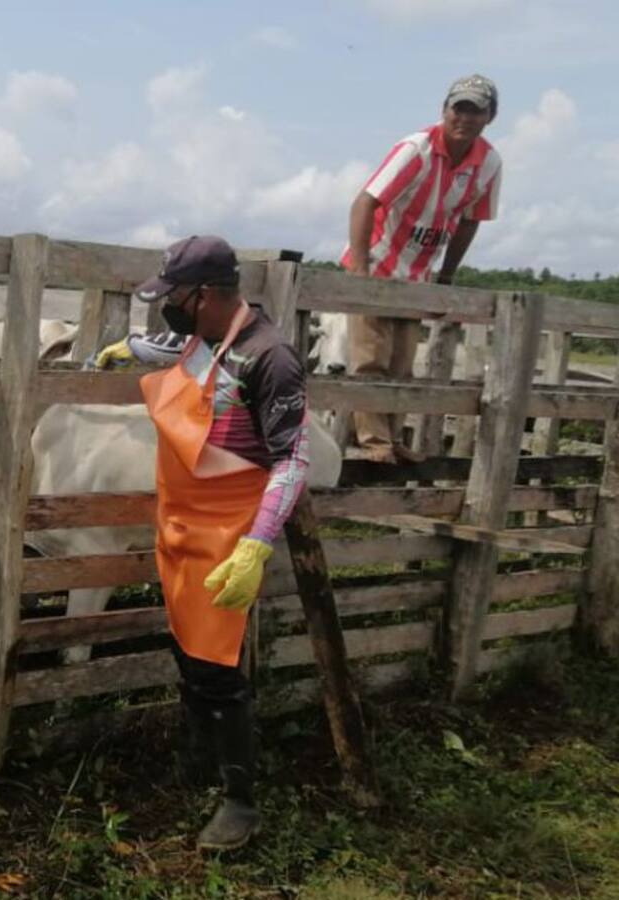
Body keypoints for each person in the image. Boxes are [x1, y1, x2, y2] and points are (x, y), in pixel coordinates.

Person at [90, 235, 310, 850]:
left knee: (219, 668)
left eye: (174, 298)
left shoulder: (270, 358)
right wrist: (127, 348)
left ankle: (241, 802)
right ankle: (195, 762)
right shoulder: (204, 337)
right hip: (180, 524)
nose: (168, 308)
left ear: (207, 295)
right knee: (187, 651)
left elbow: (293, 459)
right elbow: (173, 350)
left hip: (229, 535)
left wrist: (257, 546)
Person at [342, 73, 502, 464]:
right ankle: (374, 443)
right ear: (444, 110)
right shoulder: (417, 149)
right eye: (457, 108)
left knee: (401, 364)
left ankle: (393, 439)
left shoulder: (489, 163)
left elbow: (470, 220)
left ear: (489, 116)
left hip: (417, 273)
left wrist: (446, 276)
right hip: (379, 262)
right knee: (370, 359)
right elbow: (365, 201)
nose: (463, 118)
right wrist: (361, 272)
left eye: (474, 111)